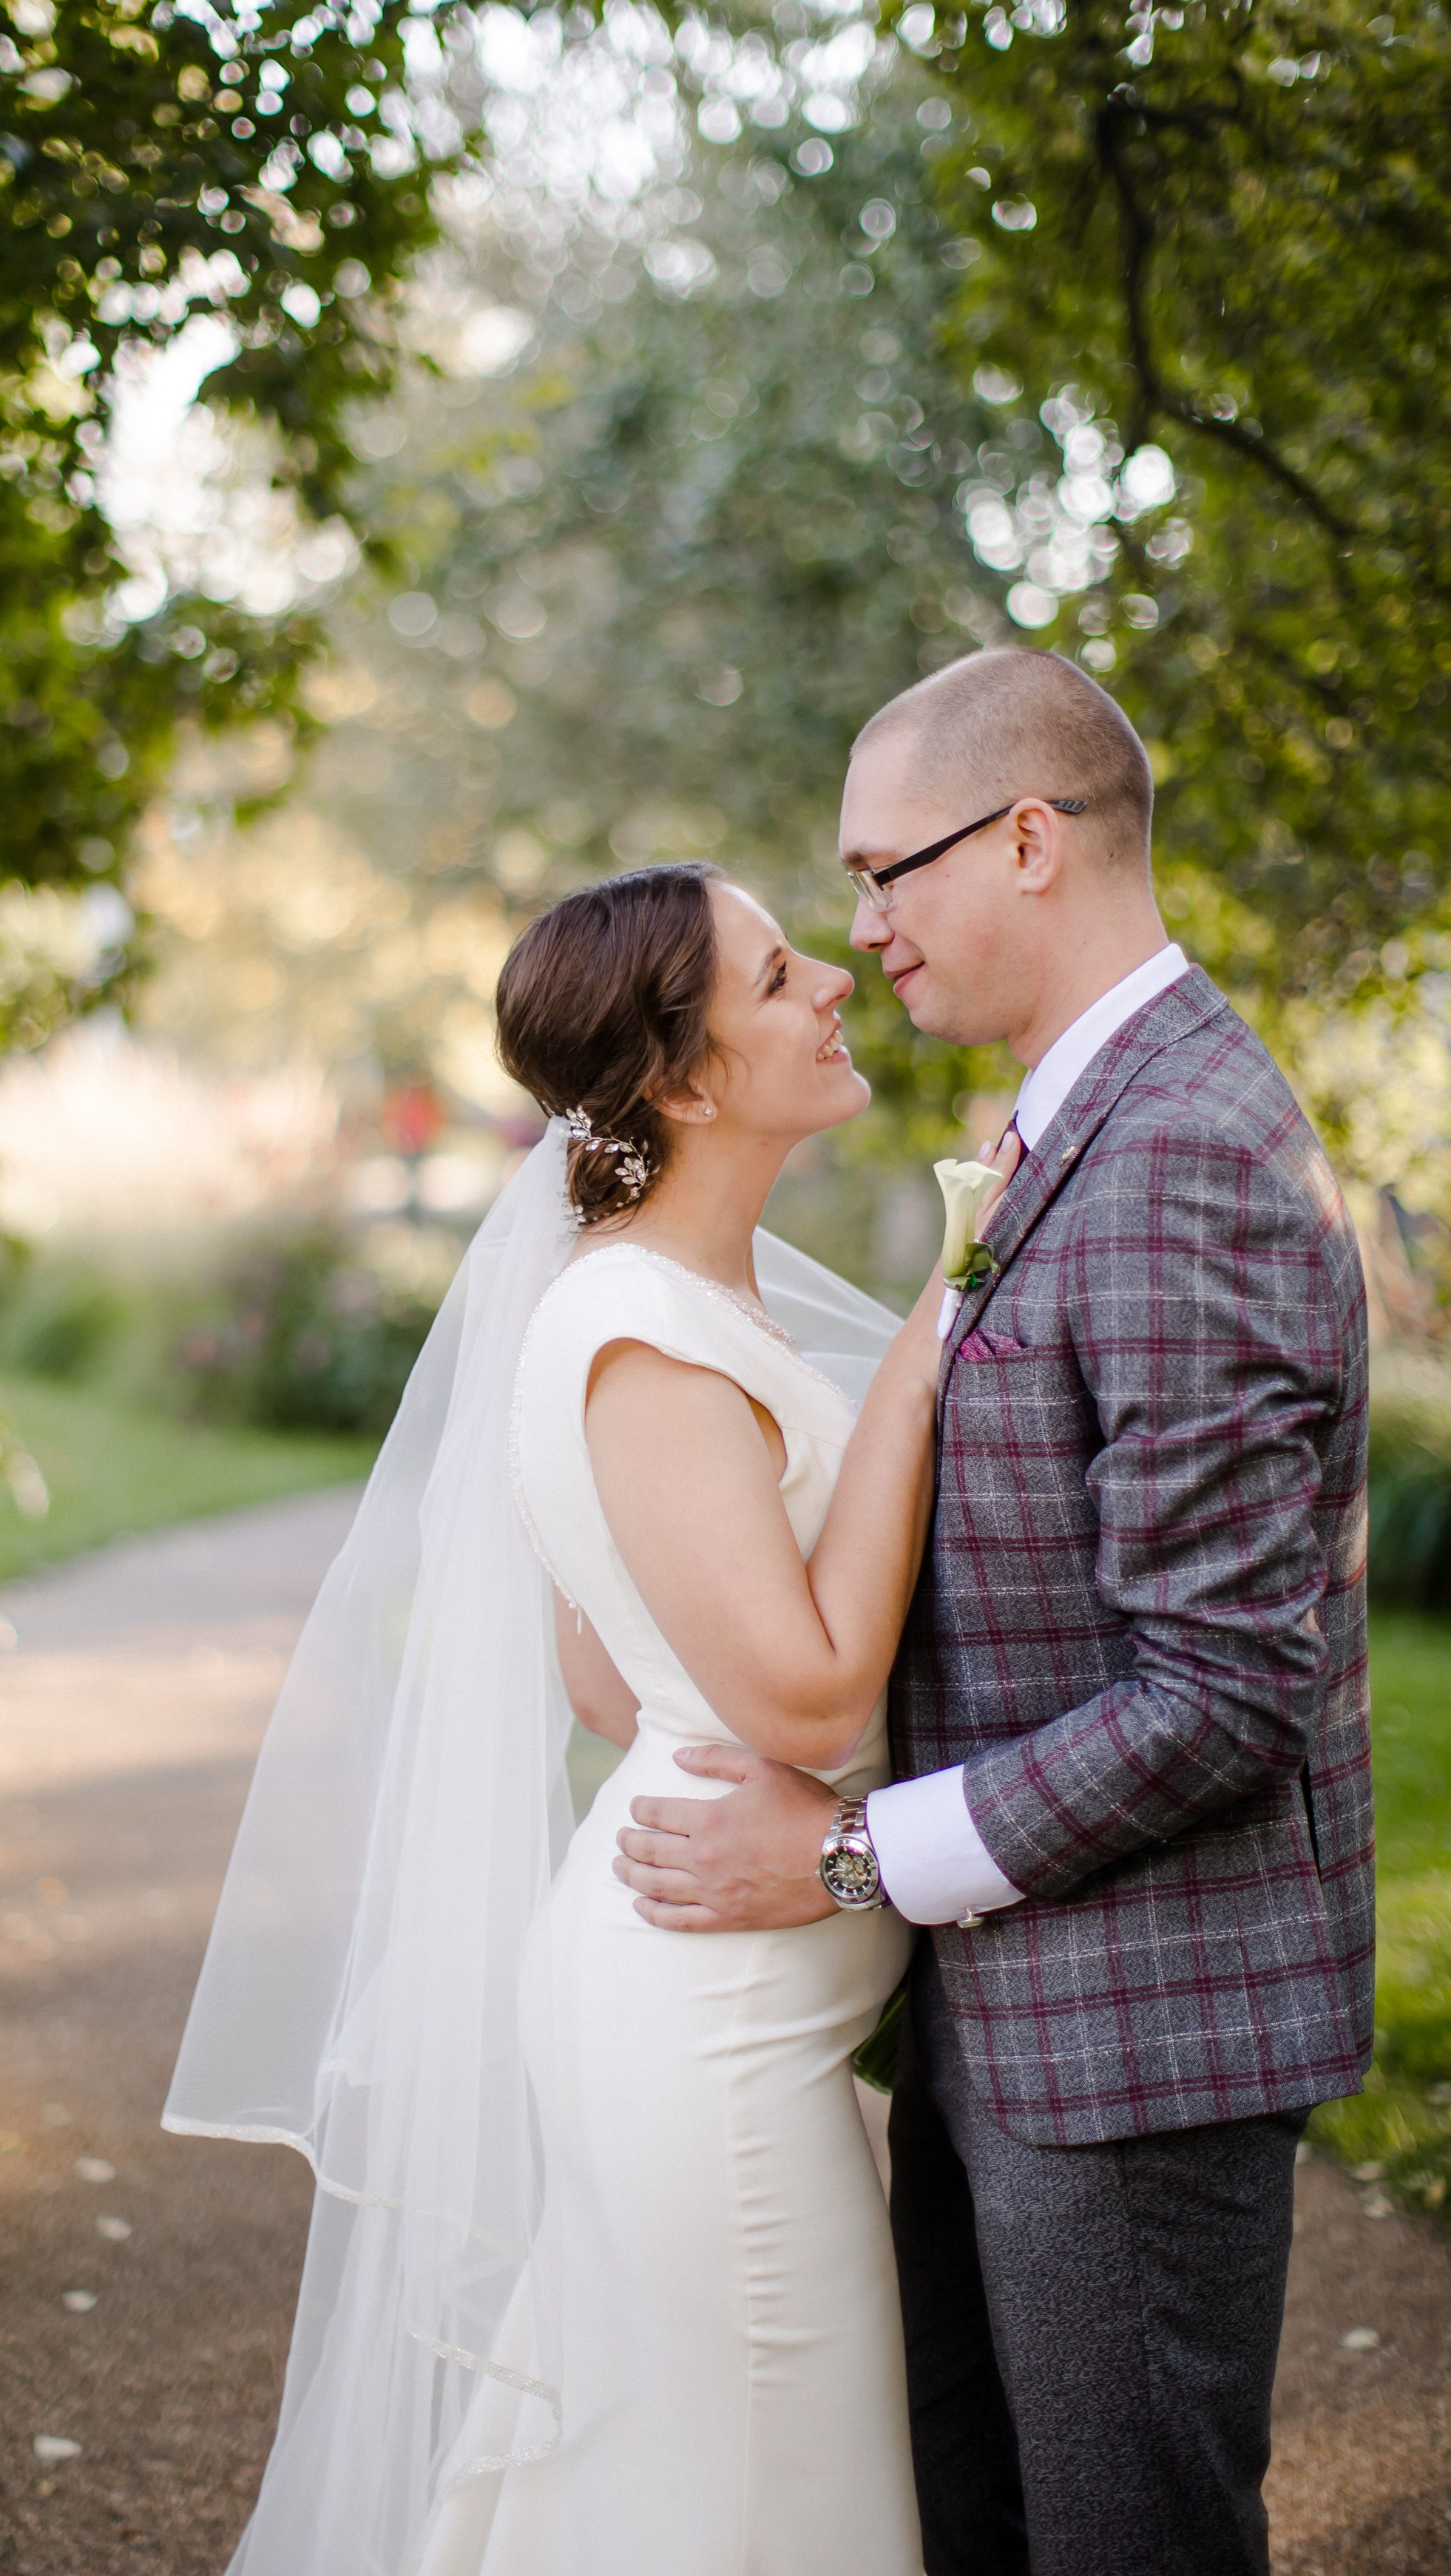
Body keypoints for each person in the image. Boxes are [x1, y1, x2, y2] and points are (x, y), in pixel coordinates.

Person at [612, 645, 1375, 2576]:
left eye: (889, 873)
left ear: (1030, 840)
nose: (862, 932)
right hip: (1008, 2024)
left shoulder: (1189, 1154)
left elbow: (1217, 1696)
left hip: (1133, 2053)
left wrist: (857, 1856)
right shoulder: (1078, 1126)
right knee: (975, 2528)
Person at [165, 855, 967, 2573]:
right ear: (678, 1079)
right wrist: (928, 1339)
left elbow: (611, 1675)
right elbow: (812, 1687)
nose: (831, 980)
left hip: (711, 2007)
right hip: (706, 2034)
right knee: (767, 2508)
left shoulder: (660, 1308)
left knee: (682, 2490)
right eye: (774, 977)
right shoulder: (642, 1338)